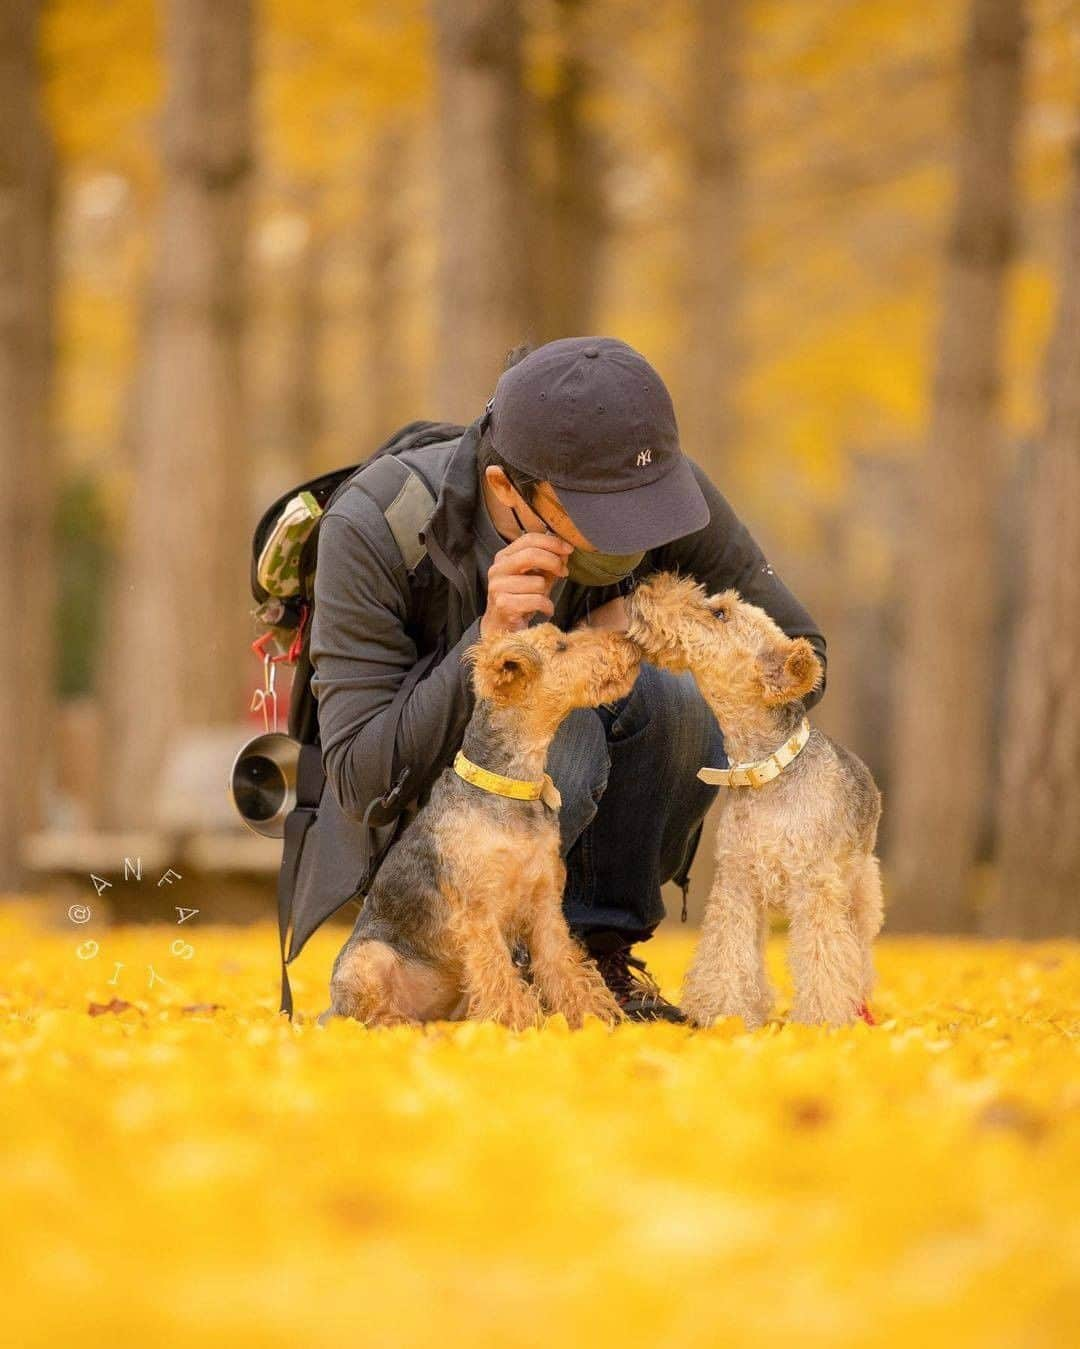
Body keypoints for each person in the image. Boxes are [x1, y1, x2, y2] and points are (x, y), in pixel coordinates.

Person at [303, 336, 827, 1021]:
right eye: (602, 515)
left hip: (565, 837)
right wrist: (485, 641)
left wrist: (669, 638)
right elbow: (359, 779)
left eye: (645, 506)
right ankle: (502, 974)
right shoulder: (373, 527)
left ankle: (599, 951)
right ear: (506, 490)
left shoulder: (659, 490)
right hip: (429, 857)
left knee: (679, 698)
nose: (632, 534)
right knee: (560, 726)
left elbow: (801, 654)